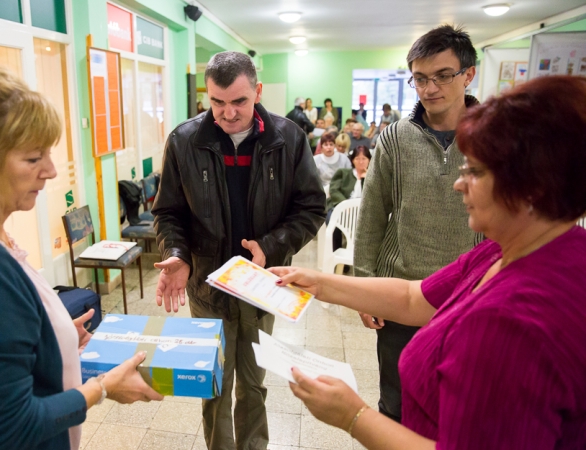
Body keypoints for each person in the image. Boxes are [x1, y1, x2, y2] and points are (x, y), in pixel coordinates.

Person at [271, 74, 586, 450]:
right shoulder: (513, 248)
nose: (458, 183)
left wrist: (353, 416)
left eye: (476, 171)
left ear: (534, 186)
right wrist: (321, 283)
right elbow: (414, 297)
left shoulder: (512, 323)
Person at [0, 59, 162, 450]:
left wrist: (49, 346)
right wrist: (101, 389)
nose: (52, 171)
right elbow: (11, 428)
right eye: (33, 158)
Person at [151, 51, 326, 450]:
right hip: (207, 288)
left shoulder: (288, 139)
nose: (227, 114)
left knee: (252, 384)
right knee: (213, 385)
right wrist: (177, 253)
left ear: (257, 91)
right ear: (207, 96)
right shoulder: (184, 140)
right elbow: (168, 212)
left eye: (239, 101)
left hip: (262, 286)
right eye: (217, 102)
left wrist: (271, 246)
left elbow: (312, 208)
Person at [354, 24, 481, 424]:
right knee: (396, 404)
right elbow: (372, 212)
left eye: (443, 75)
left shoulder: (494, 136)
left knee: (460, 407)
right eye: (420, 79)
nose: (430, 88)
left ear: (468, 74)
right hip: (399, 292)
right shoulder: (395, 138)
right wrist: (364, 285)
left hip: (469, 295)